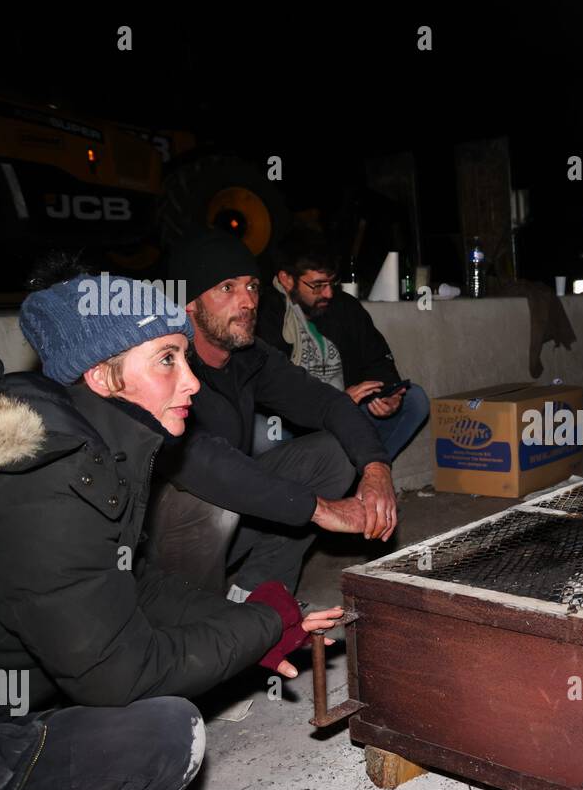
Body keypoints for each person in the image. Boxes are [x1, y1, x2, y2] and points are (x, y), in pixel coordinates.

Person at [0, 265, 342, 790]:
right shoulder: (38, 479)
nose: (192, 382)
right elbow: (119, 675)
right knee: (161, 738)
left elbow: (131, 585)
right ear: (102, 374)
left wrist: (261, 614)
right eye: (168, 360)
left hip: (2, 701)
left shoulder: (96, 445)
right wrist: (264, 628)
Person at [145, 229, 398, 601]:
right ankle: (191, 616)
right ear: (190, 303)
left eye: (252, 287)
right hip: (163, 539)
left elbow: (328, 403)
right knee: (212, 498)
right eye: (227, 288)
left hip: (229, 518)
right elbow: (202, 463)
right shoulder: (162, 364)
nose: (247, 301)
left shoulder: (250, 356)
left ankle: (255, 596)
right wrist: (319, 510)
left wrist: (377, 469)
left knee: (334, 452)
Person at [255, 227, 429, 460]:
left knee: (414, 400)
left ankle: (364, 478)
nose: (328, 293)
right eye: (317, 285)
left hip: (347, 409)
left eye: (332, 283)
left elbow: (377, 359)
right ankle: (295, 492)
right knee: (265, 433)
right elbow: (269, 388)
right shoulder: (263, 313)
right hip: (292, 417)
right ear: (286, 279)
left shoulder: (345, 307)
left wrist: (390, 394)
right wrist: (333, 403)